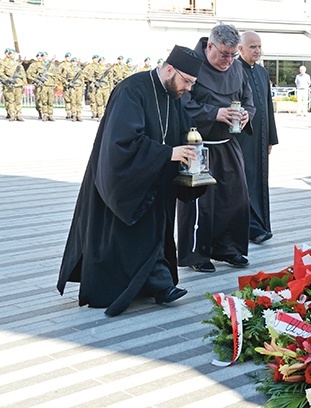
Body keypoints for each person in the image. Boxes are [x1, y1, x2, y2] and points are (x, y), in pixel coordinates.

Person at [57, 45, 204, 317]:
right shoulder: (131, 90)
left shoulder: (173, 95)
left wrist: (192, 155)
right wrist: (166, 153)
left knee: (154, 236)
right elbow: (121, 143)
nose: (188, 89)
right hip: (127, 185)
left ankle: (160, 285)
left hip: (156, 183)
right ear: (170, 69)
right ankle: (148, 286)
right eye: (187, 82)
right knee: (129, 239)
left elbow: (184, 130)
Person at [177, 24, 255, 272]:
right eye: (223, 54)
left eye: (233, 55)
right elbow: (181, 102)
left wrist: (245, 117)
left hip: (228, 143)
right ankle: (197, 255)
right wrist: (214, 113)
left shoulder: (238, 67)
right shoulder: (190, 64)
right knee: (201, 203)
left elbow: (248, 101)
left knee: (235, 198)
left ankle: (228, 248)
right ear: (209, 46)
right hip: (197, 144)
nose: (228, 61)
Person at [237, 31, 279, 244]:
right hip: (243, 137)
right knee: (245, 181)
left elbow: (268, 108)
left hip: (261, 139)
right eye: (252, 46)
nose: (257, 50)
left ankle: (261, 224)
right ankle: (249, 227)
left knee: (260, 180)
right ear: (240, 49)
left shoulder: (262, 72)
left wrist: (271, 137)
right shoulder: (233, 70)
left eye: (259, 46)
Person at [1, 49, 26, 121]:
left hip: (18, 84)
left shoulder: (18, 64)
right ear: (8, 55)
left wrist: (24, 84)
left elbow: (23, 74)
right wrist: (7, 79)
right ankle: (12, 115)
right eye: (12, 54)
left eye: (14, 54)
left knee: (18, 101)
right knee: (11, 101)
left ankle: (19, 115)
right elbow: (1, 73)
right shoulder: (4, 63)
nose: (13, 55)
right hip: (9, 85)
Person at [61, 57, 84, 122]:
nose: (74, 63)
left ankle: (78, 115)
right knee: (73, 101)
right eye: (73, 62)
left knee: (79, 102)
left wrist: (83, 87)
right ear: (71, 62)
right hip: (72, 87)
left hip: (79, 87)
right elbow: (63, 78)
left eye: (75, 62)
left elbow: (82, 79)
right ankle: (73, 115)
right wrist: (68, 83)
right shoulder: (67, 69)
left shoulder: (79, 69)